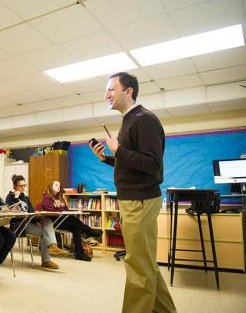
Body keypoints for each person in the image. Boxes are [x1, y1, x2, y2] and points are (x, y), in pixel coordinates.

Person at [90, 72, 176, 313]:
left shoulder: (144, 119)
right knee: (145, 264)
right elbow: (132, 164)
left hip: (140, 200)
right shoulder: (129, 119)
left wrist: (119, 149)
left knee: (138, 267)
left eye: (111, 89)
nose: (106, 94)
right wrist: (108, 157)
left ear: (128, 91)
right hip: (132, 200)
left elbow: (152, 165)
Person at [5, 175, 66, 269]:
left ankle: (52, 246)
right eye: (21, 186)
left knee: (48, 222)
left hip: (29, 223)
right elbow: (12, 212)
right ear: (15, 186)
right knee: (46, 233)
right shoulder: (9, 197)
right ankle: (46, 259)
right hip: (19, 225)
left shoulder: (25, 198)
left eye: (24, 185)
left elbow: (31, 212)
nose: (23, 188)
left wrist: (37, 221)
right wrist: (16, 198)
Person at [40, 180, 102, 261]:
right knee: (73, 220)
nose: (58, 187)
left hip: (64, 220)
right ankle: (89, 231)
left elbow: (66, 209)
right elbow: (51, 212)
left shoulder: (61, 198)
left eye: (59, 185)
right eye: (56, 185)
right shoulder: (47, 198)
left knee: (77, 229)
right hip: (54, 222)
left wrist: (70, 212)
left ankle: (79, 254)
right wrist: (63, 212)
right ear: (51, 187)